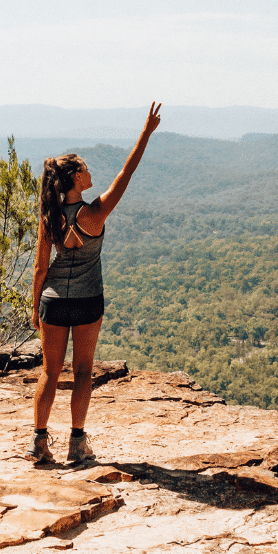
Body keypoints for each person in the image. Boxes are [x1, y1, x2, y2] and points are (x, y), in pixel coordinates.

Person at [27, 102, 162, 464]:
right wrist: (145, 134)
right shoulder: (96, 213)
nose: (89, 172)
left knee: (49, 373)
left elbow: (41, 269)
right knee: (83, 370)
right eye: (84, 169)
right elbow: (127, 172)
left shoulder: (49, 218)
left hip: (53, 301)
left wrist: (34, 308)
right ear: (74, 179)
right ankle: (76, 443)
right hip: (88, 301)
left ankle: (39, 444)